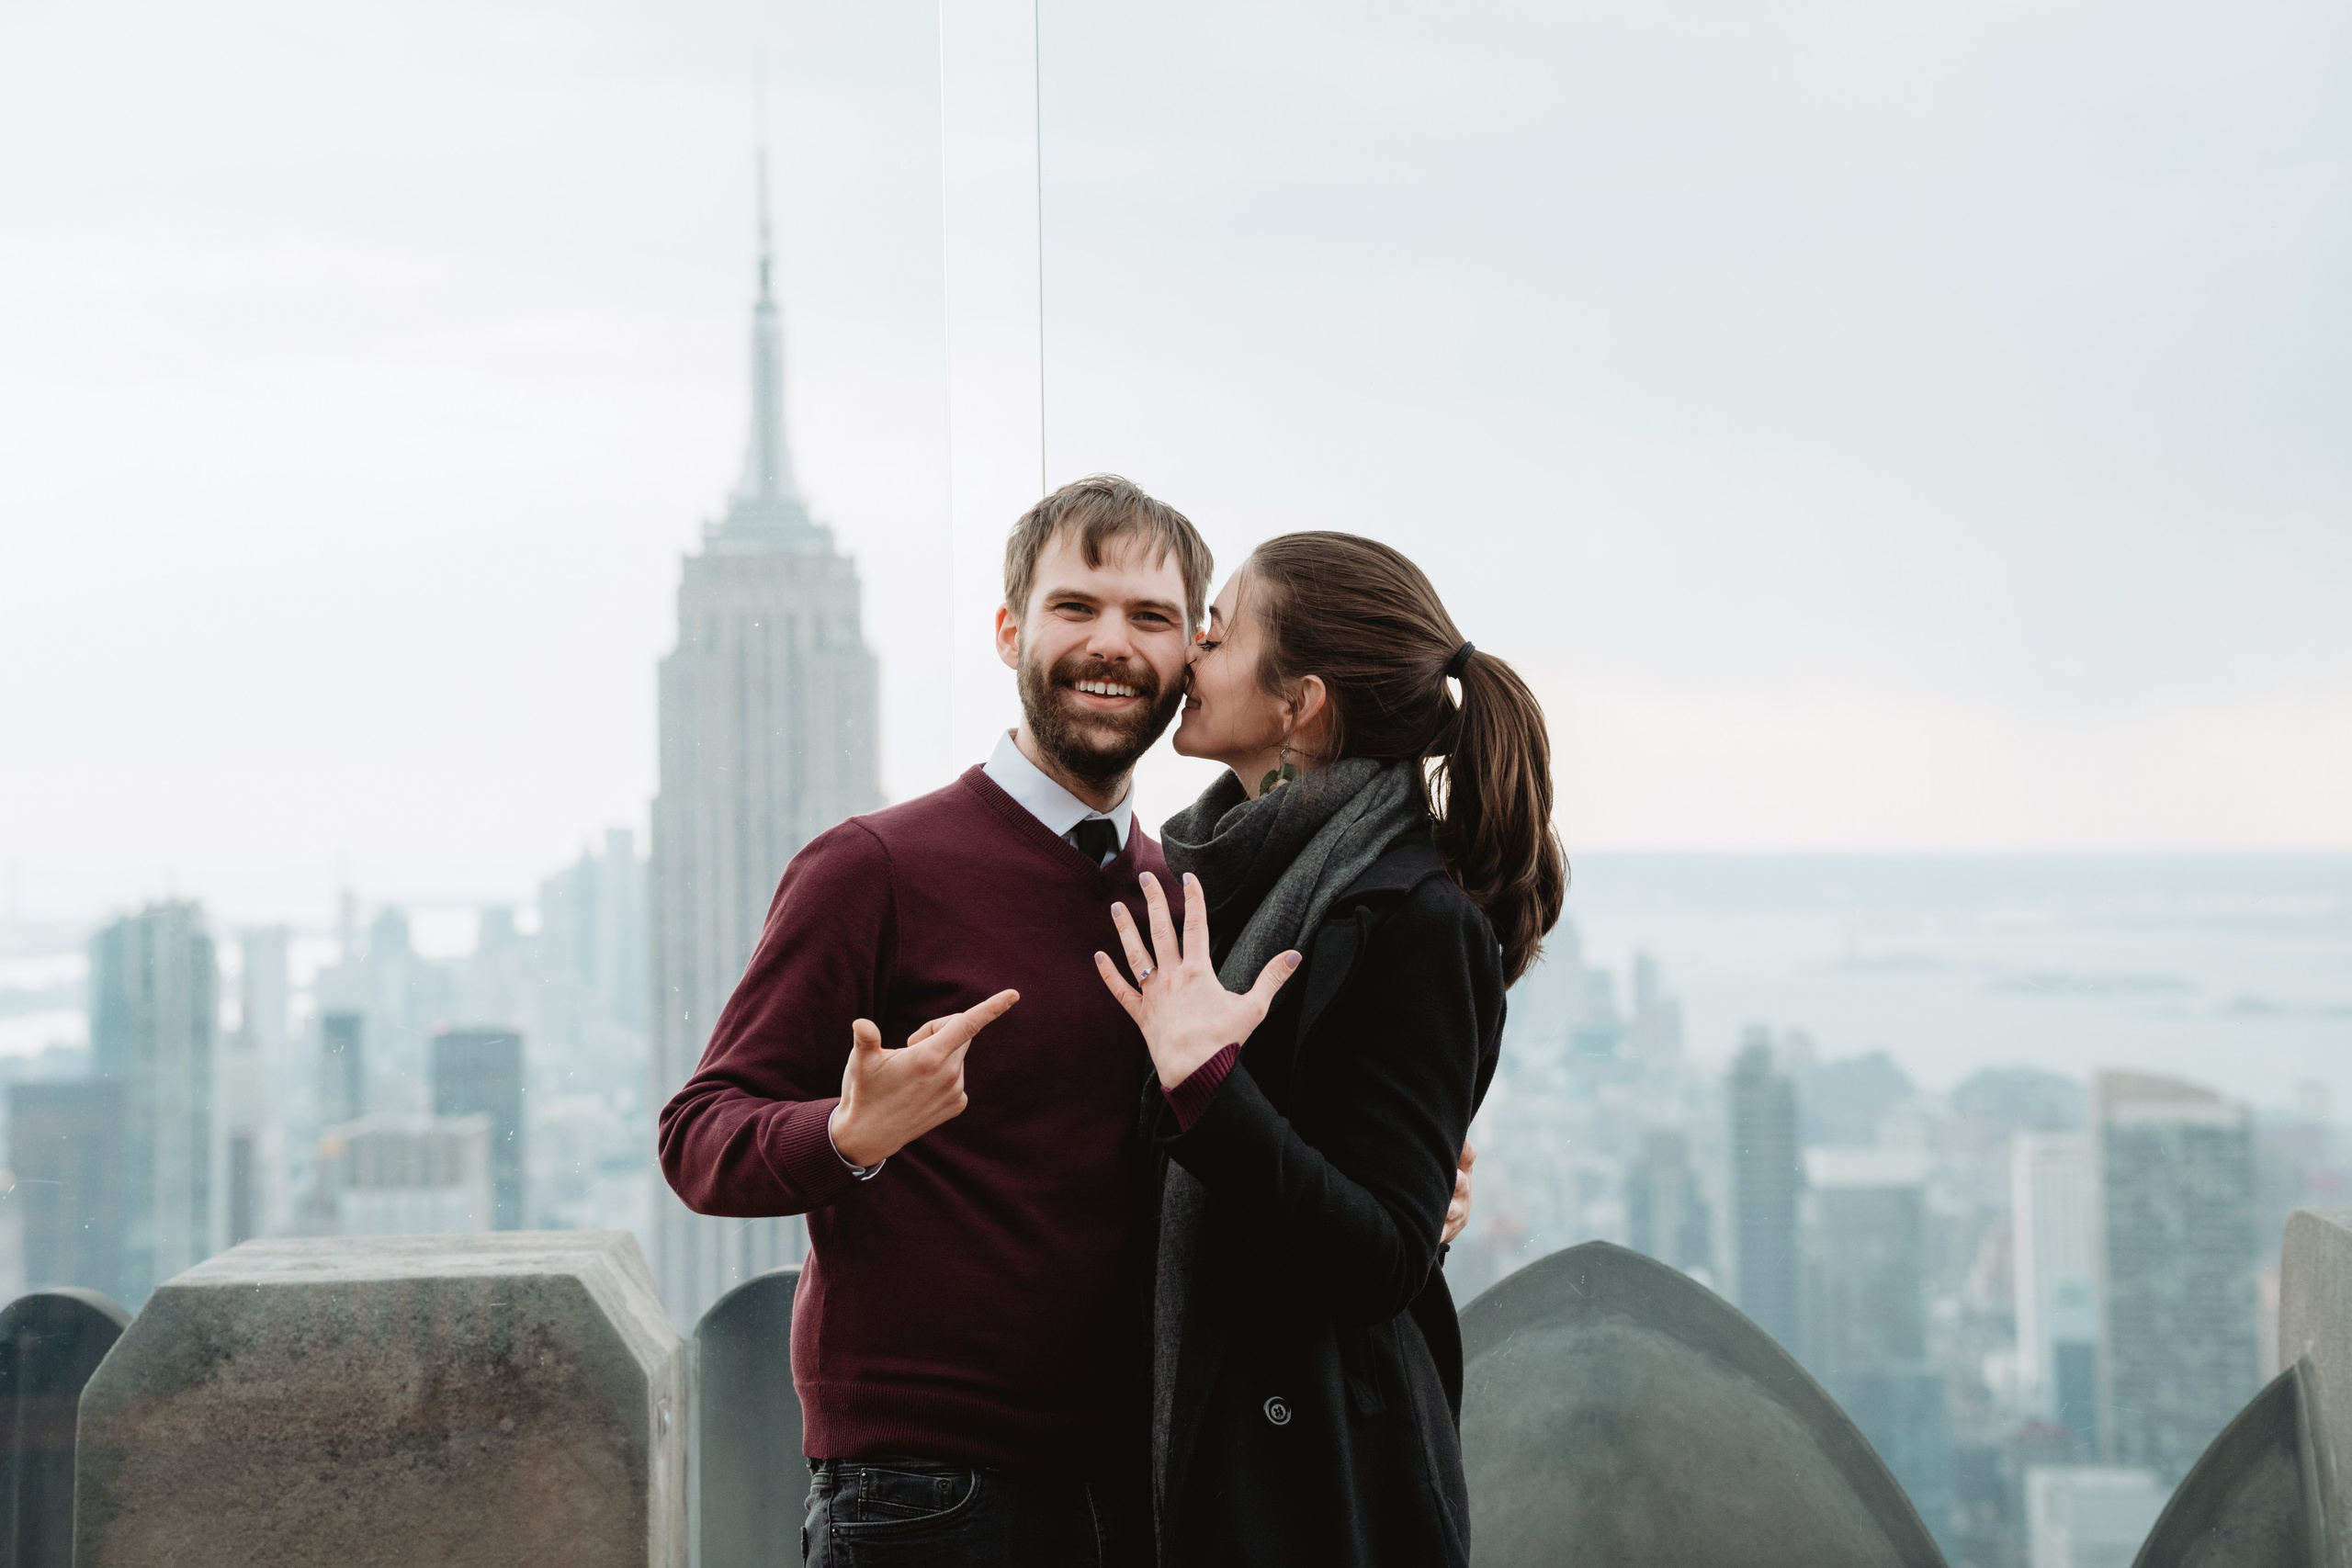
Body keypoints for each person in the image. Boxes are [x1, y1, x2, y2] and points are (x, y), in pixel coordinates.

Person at [660, 475, 1207, 1567]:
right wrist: (849, 1134)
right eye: (1076, 607)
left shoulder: (1179, 893)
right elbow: (699, 1136)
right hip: (927, 1496)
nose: (1113, 643)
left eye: (1150, 618)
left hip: (1138, 1484)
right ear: (1010, 630)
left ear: (1192, 654)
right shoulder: (876, 868)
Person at [1092, 530, 1565, 1568]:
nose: (1188, 664)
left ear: (1297, 702)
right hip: (1192, 1456)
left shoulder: (1412, 917)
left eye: (1213, 636)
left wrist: (1207, 1089)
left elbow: (1383, 1258)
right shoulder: (1217, 881)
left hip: (1314, 1495)